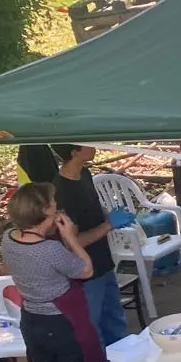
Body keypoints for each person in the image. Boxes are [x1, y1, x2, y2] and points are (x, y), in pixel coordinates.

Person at [0, 183, 116, 362]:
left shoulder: (9, 239)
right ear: (44, 212)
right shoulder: (50, 249)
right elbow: (85, 269)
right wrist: (70, 237)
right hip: (62, 322)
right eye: (53, 203)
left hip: (32, 320)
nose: (57, 205)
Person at [50, 145, 137, 347]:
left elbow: (95, 207)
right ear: (74, 152)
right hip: (84, 272)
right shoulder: (62, 191)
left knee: (116, 324)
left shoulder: (85, 174)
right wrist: (109, 225)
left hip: (103, 261)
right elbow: (72, 242)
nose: (94, 146)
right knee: (92, 329)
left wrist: (112, 215)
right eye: (87, 143)